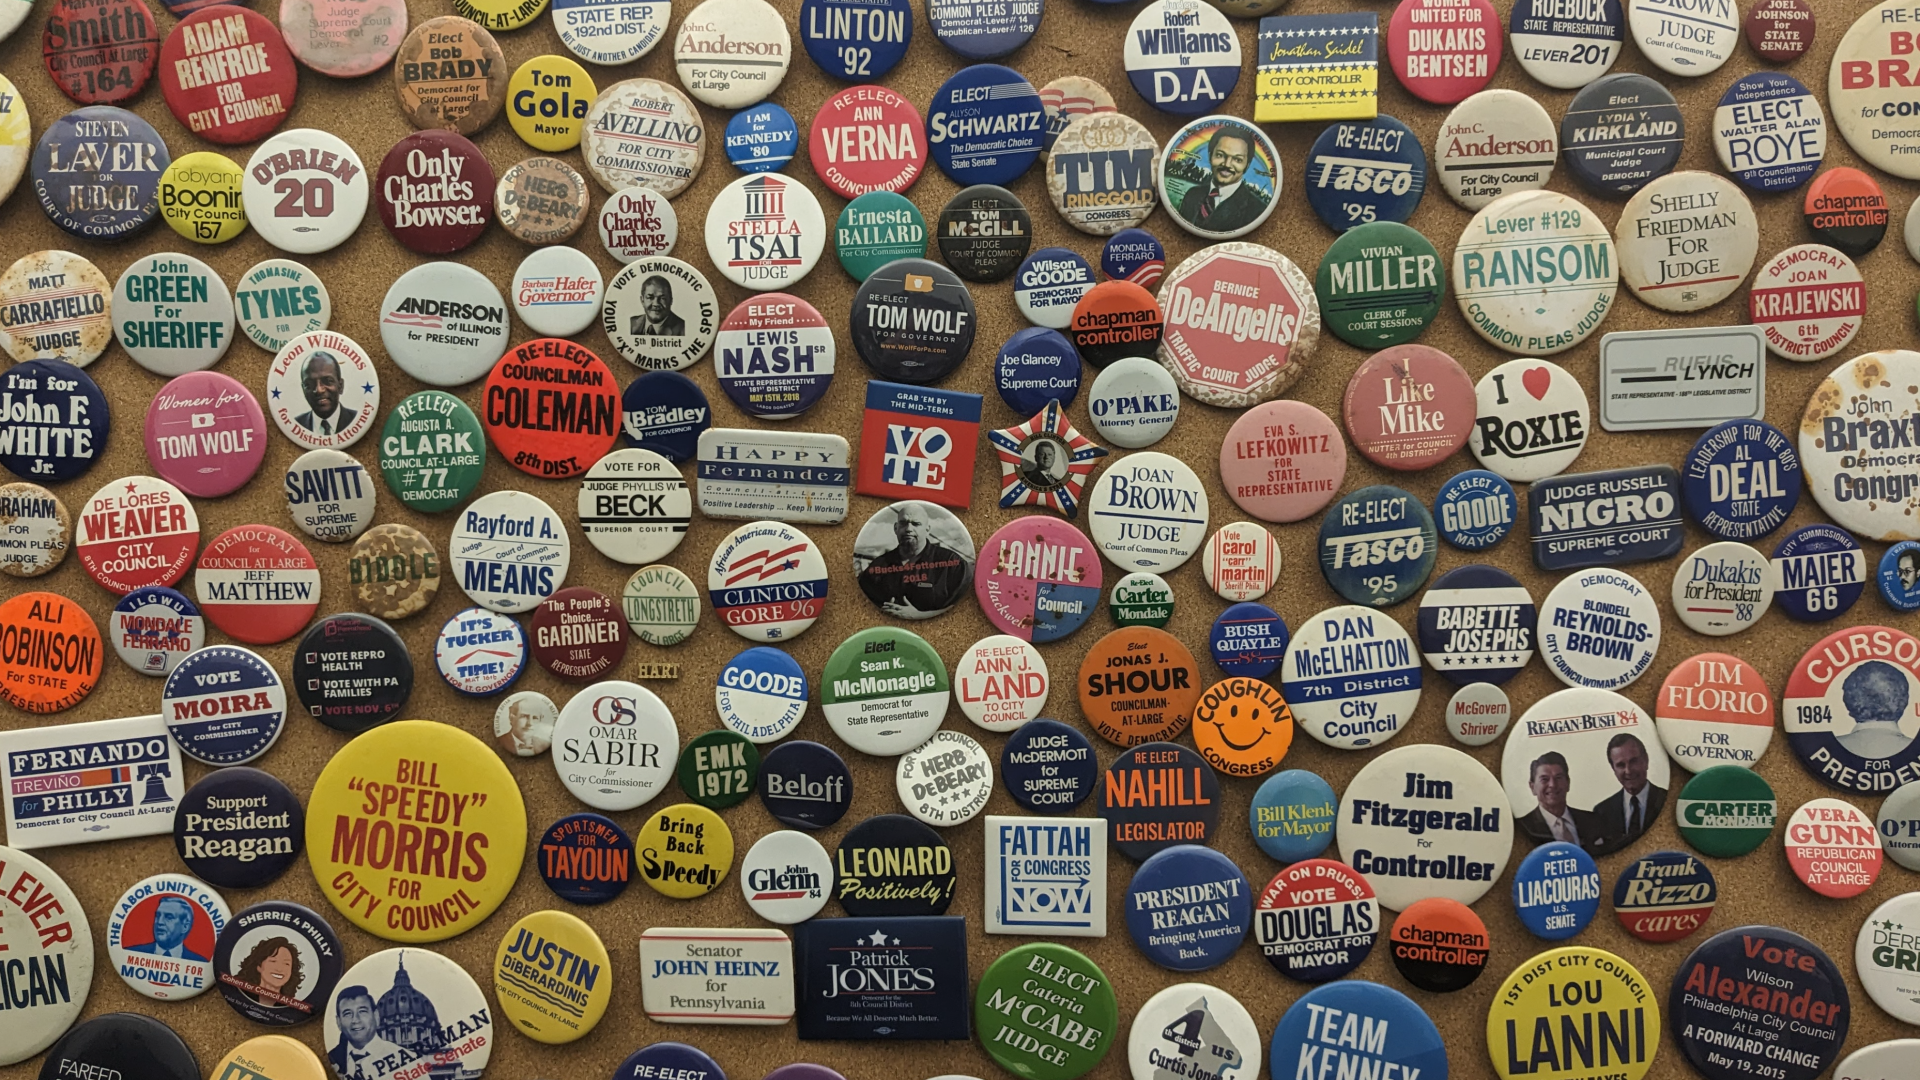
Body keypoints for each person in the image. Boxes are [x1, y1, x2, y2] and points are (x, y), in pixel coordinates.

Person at [857, 503, 972, 618]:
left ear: (927, 529)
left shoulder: (953, 564)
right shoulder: (878, 566)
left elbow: (963, 606)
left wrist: (920, 615)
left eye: (916, 524)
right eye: (903, 523)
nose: (908, 529)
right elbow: (862, 603)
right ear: (896, 528)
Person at [1177, 125, 1268, 233]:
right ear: (1210, 156)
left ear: (1247, 166)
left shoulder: (1257, 210)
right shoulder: (1192, 194)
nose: (1227, 164)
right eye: (1220, 155)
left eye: (1237, 160)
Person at [1591, 732, 1667, 855]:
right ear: (1613, 769)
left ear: (1646, 761)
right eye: (1621, 765)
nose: (1628, 771)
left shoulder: (1666, 800)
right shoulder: (1602, 812)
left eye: (1633, 761)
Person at [1517, 751, 1601, 850]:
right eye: (1544, 779)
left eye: (1558, 778)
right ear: (1532, 787)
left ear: (1568, 783)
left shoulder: (1594, 821)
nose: (1552, 784)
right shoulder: (1522, 828)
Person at [329, 985, 404, 1080]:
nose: (355, 1020)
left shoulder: (404, 1057)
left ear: (376, 1016)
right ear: (338, 1022)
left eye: (362, 1011)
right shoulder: (332, 1059)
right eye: (347, 1014)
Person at [126, 894, 208, 962]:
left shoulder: (199, 962)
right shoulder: (131, 953)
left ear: (185, 926)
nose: (159, 922)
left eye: (169, 917)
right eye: (158, 916)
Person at [293, 352, 356, 437]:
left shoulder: (355, 420)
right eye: (309, 384)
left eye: (327, 381)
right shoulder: (296, 424)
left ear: (340, 386)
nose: (319, 390)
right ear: (303, 389)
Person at [235, 936, 305, 1008]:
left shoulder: (293, 1007)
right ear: (259, 966)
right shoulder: (238, 990)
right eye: (273, 961)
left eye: (286, 964)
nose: (279, 969)